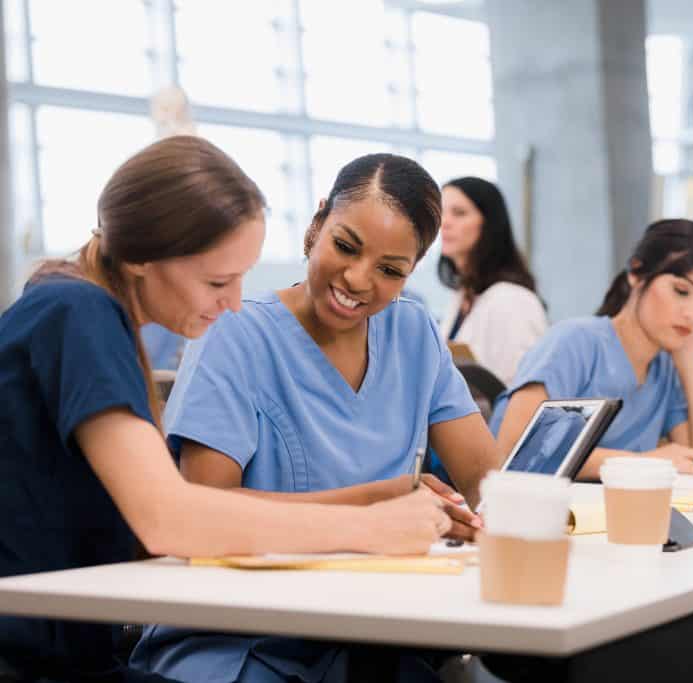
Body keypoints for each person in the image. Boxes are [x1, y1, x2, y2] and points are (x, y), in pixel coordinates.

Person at [0, 137, 455, 683]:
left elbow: (150, 529)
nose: (236, 301)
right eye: (218, 281)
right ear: (145, 257)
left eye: (243, 278)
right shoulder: (79, 313)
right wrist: (368, 529)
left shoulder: (78, 308)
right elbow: (171, 521)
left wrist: (370, 502)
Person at [131, 154, 500, 682]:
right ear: (316, 223)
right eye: (346, 246)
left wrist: (485, 515)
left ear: (412, 272)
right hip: (244, 640)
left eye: (390, 270)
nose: (358, 279)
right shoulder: (236, 335)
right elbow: (206, 512)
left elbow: (489, 482)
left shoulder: (414, 334)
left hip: (374, 637)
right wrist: (378, 510)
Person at [490, 219, 693, 480]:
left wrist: (690, 354)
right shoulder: (575, 342)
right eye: (681, 291)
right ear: (636, 273)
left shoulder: (666, 366)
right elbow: (517, 449)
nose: (692, 313)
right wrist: (643, 463)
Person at [437, 177, 546, 385]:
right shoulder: (461, 297)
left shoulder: (514, 300)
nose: (444, 222)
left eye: (459, 213)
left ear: (489, 224)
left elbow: (521, 387)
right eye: (441, 212)